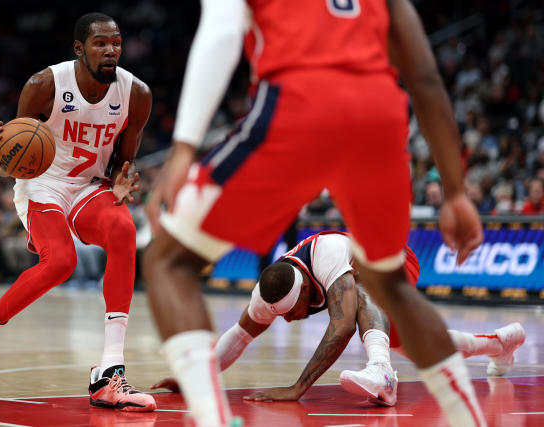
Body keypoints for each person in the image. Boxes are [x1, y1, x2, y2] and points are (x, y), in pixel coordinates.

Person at [142, 0, 485, 425]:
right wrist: (455, 192)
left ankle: (209, 417)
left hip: (297, 104)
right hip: (377, 113)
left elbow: (221, 34)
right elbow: (426, 77)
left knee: (167, 260)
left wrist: (184, 147)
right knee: (390, 285)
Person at [0, 12, 156, 412]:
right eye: (100, 43)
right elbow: (12, 162)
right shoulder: (44, 85)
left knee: (123, 230)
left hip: (89, 186)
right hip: (44, 184)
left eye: (116, 43)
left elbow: (125, 162)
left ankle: (110, 372)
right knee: (61, 262)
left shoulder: (136, 94)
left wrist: (124, 179)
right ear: (79, 48)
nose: (111, 51)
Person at [150, 231, 525, 407]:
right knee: (418, 345)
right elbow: (240, 335)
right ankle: (498, 344)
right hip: (365, 281)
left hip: (392, 257)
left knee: (360, 293)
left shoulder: (327, 257)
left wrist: (298, 388)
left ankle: (382, 373)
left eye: (293, 313)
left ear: (307, 294)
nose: (289, 321)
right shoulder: (268, 293)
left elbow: (343, 326)